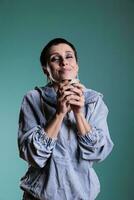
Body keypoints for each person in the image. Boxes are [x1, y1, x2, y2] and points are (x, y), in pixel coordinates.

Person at [18, 38, 114, 200]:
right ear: (46, 69)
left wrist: (78, 113)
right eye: (55, 59)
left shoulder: (94, 101)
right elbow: (32, 155)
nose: (64, 62)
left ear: (76, 65)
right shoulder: (33, 99)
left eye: (69, 56)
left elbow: (98, 153)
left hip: (81, 194)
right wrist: (59, 113)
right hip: (40, 196)